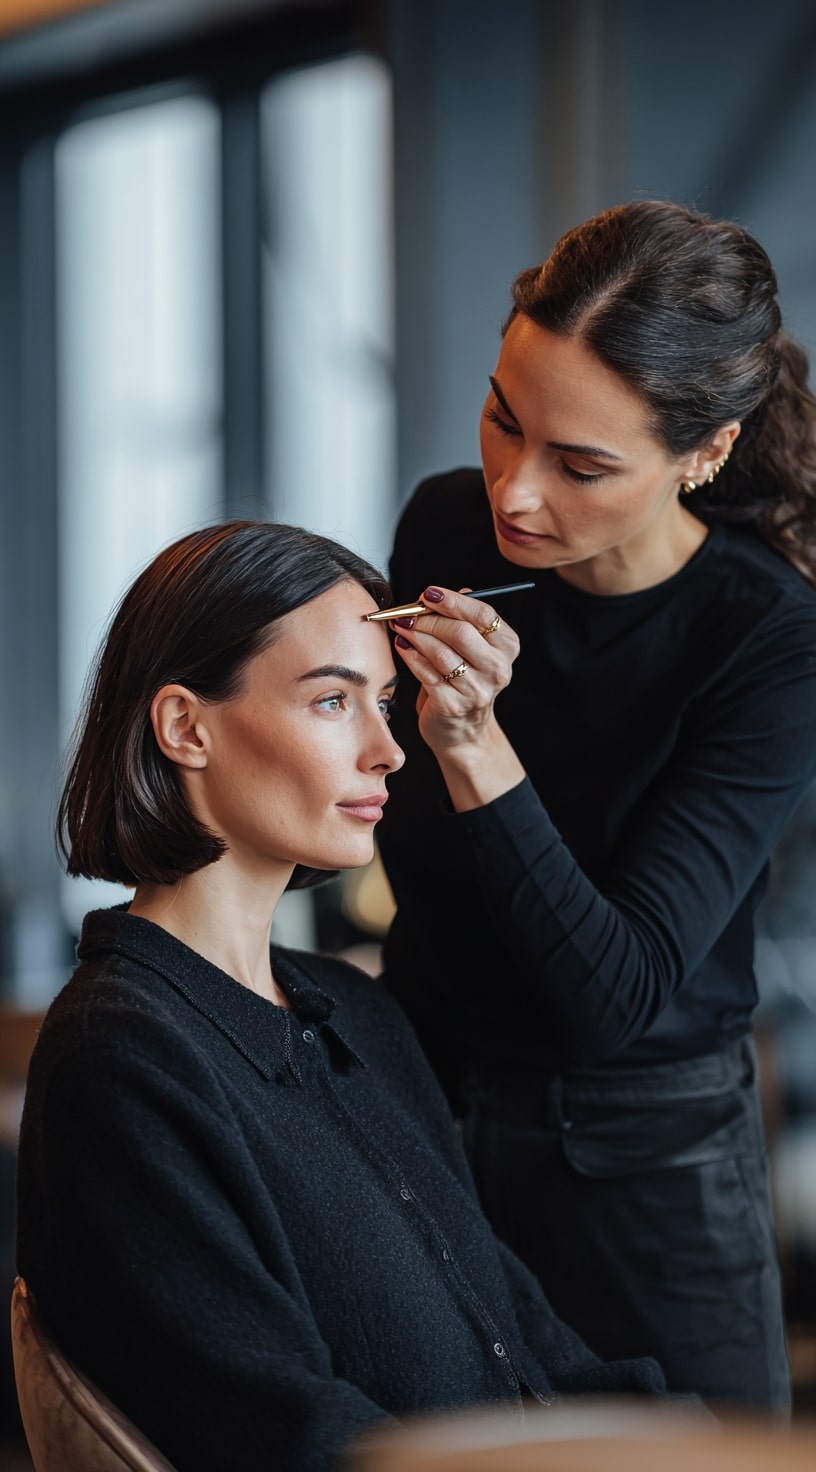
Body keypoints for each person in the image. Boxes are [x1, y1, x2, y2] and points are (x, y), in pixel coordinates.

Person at [14, 521, 672, 1472]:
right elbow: (278, 1432)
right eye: (333, 701)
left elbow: (524, 1333)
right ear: (185, 728)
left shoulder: (354, 1010)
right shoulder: (120, 1057)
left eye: (388, 703)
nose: (390, 751)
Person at [375, 199, 816, 1417]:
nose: (516, 494)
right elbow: (375, 814)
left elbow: (609, 995)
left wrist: (472, 741)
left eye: (581, 465)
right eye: (503, 420)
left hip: (646, 1168)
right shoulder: (445, 526)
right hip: (428, 1115)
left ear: (705, 452)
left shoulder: (765, 637)